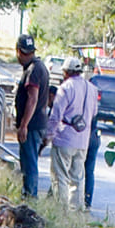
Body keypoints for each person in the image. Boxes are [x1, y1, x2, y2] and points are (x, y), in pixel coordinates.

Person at [46, 56, 94, 210]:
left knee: (60, 176)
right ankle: (77, 211)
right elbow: (93, 113)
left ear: (66, 72)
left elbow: (56, 115)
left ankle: (62, 211)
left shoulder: (65, 88)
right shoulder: (92, 89)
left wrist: (48, 135)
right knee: (78, 179)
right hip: (83, 140)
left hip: (64, 138)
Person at [13, 34, 50, 198]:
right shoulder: (39, 67)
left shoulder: (34, 70)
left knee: (29, 163)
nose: (25, 56)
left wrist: (24, 125)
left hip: (33, 125)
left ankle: (30, 197)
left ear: (18, 51)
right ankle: (28, 194)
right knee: (29, 161)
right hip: (37, 123)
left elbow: (33, 99)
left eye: (27, 53)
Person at [84, 81, 103, 209]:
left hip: (84, 136)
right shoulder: (93, 102)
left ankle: (80, 198)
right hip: (95, 135)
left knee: (76, 168)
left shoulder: (79, 101)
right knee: (89, 171)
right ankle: (87, 199)